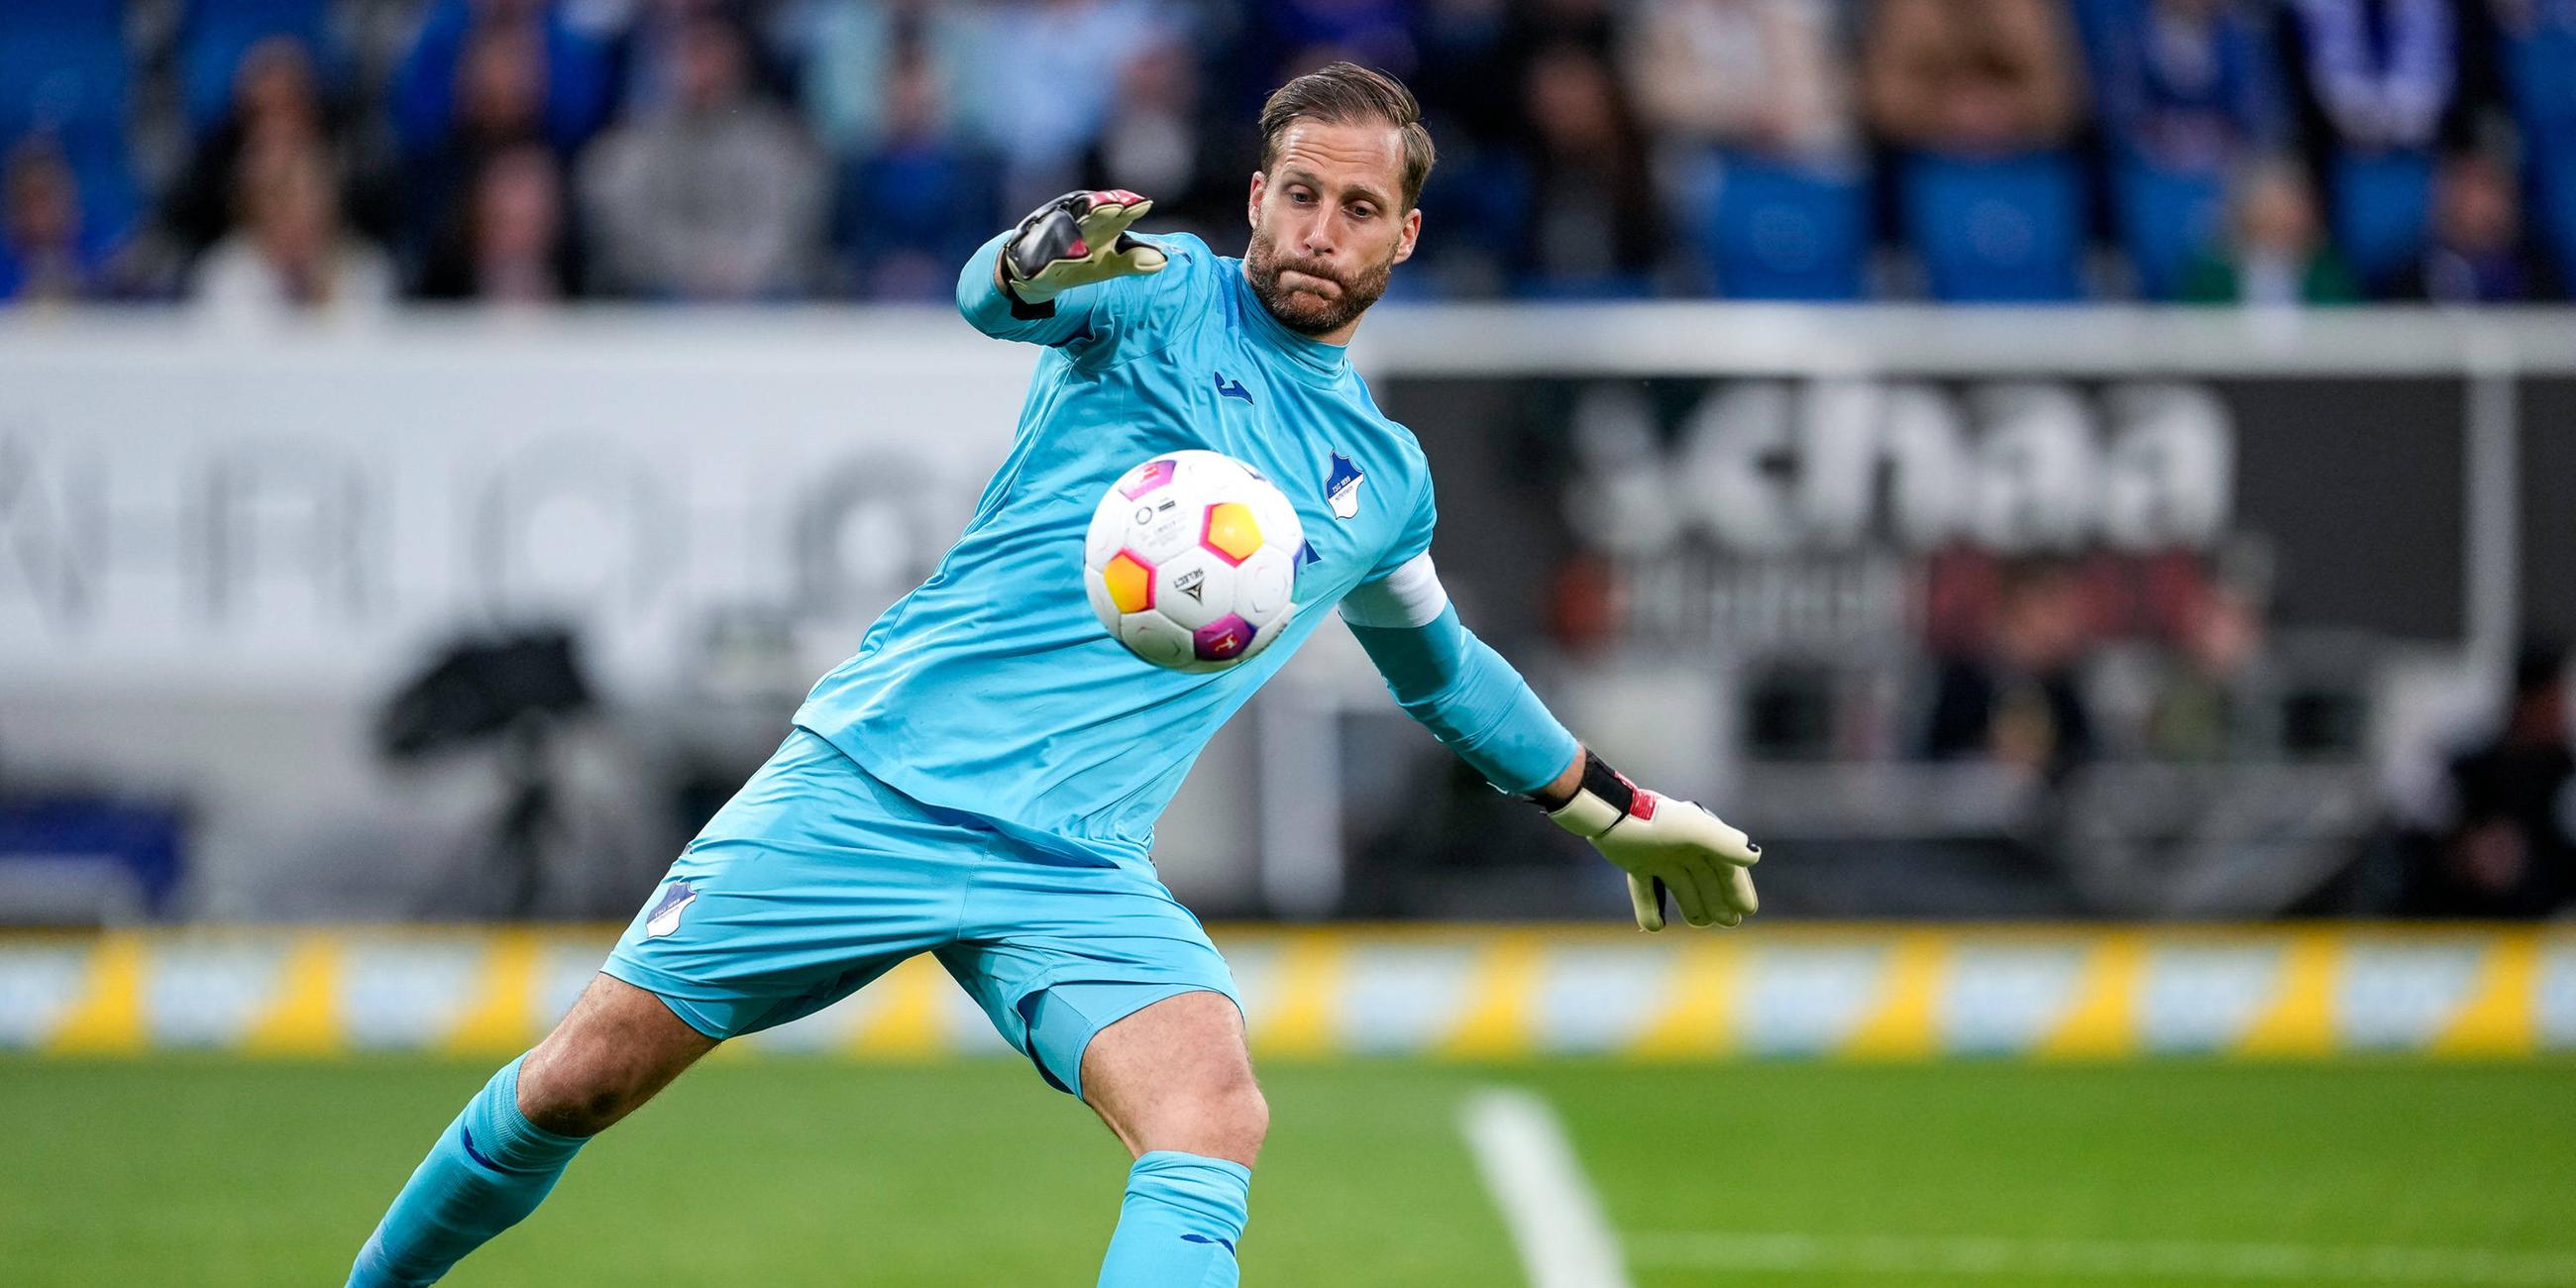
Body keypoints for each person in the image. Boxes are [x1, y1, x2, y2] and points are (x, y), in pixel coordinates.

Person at [343, 62, 1763, 1288]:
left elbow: (1445, 674)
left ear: (1404, 236)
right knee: (581, 1078)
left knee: (1210, 1112)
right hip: (872, 782)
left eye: (1360, 208)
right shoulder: (1155, 294)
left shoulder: (1381, 481)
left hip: (1071, 866)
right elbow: (997, 296)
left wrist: (1618, 813)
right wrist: (1038, 253)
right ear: (1257, 194)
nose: (1322, 230)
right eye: (1300, 195)